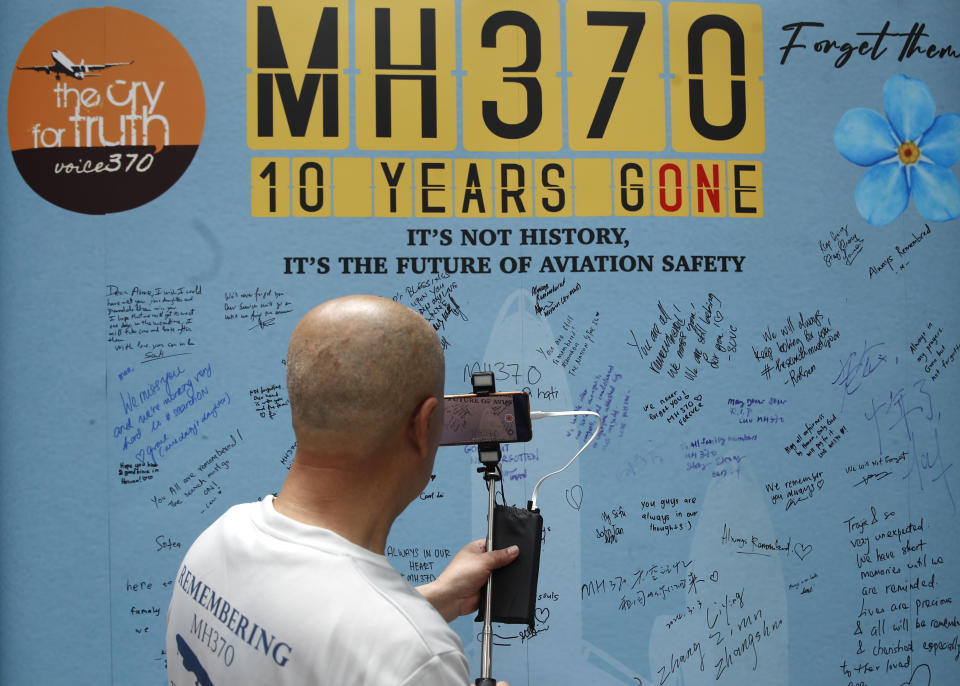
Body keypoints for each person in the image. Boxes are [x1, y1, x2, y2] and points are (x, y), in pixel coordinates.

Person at [166, 295, 517, 686]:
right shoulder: (417, 659)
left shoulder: (215, 544)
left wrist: (437, 598)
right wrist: (410, 633)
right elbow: (369, 647)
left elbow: (302, 637)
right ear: (423, 425)